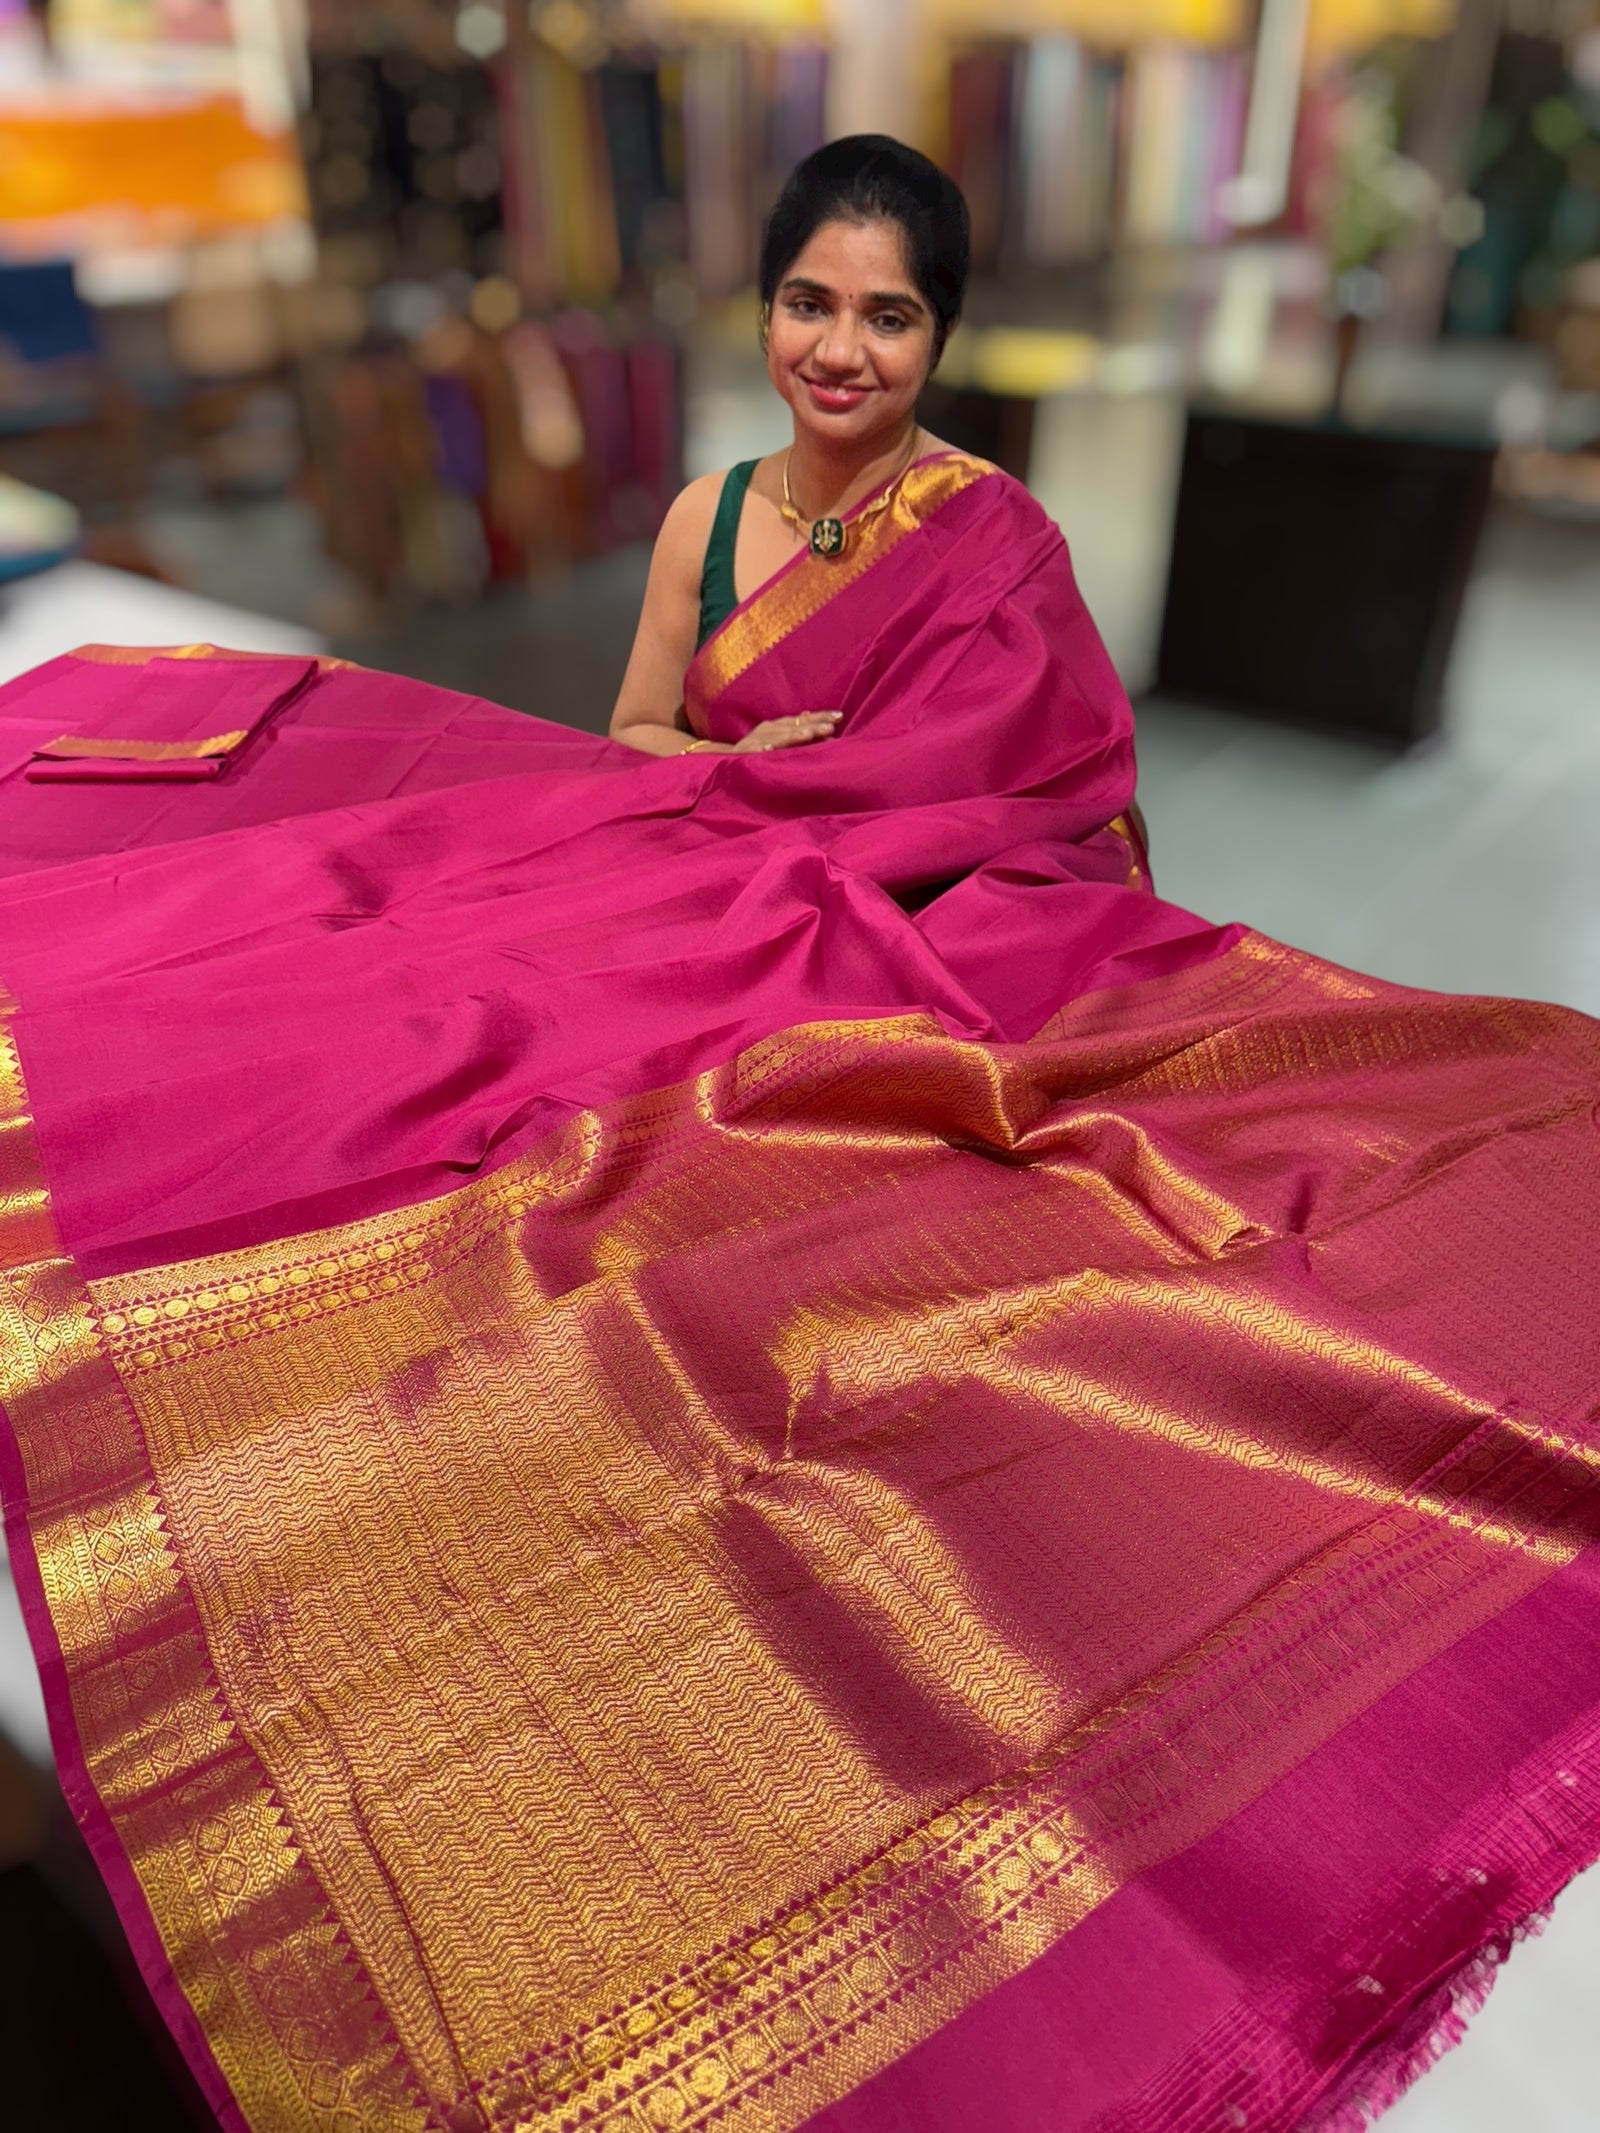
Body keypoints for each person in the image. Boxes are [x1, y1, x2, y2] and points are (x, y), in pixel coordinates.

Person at [0, 137, 1597, 2133]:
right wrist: (756, 781)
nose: (840, 348)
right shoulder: (707, 512)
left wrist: (822, 797)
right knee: (395, 1037)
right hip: (740, 887)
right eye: (809, 303)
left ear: (937, 332)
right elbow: (631, 744)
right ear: (763, 308)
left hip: (925, 925)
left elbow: (1036, 792)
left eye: (888, 312)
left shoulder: (990, 534)